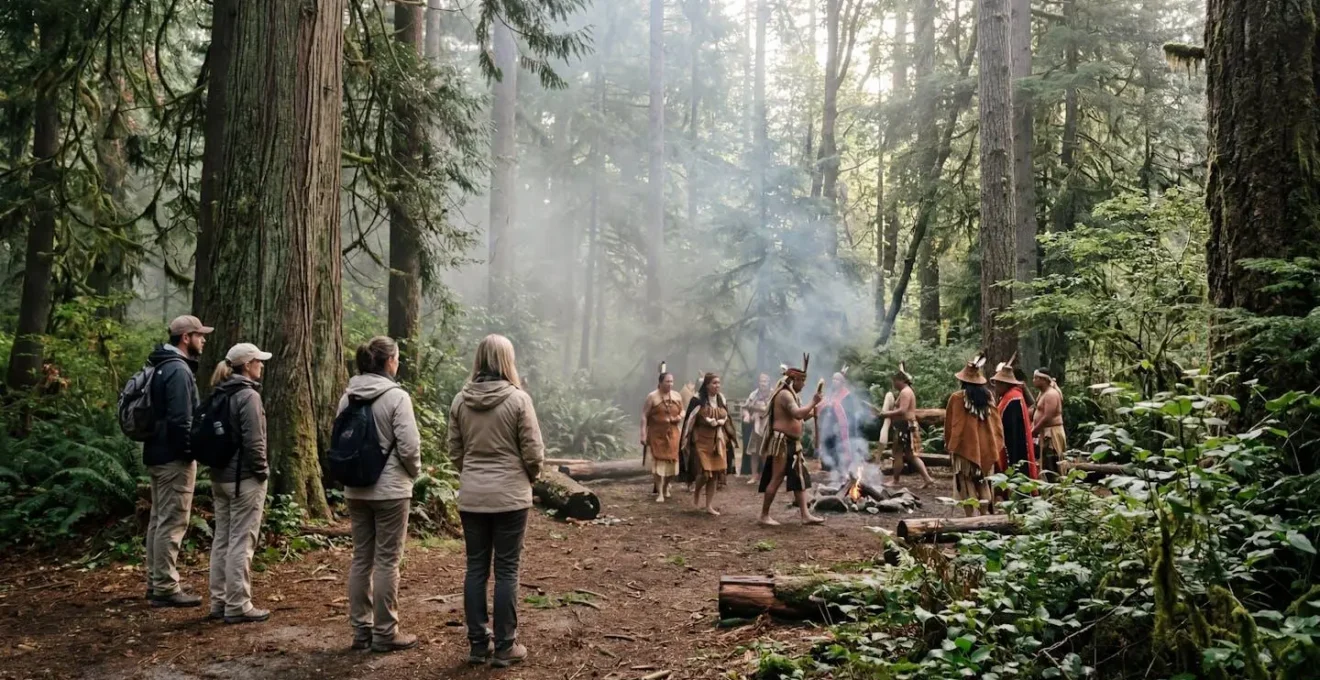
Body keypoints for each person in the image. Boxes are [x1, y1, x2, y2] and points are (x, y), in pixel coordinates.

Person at [449, 334, 545, 668]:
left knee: (476, 567)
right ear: (507, 360)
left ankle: (478, 645)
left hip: (472, 496)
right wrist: (526, 477)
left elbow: (454, 452)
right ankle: (505, 646)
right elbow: (534, 452)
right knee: (506, 569)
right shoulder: (519, 400)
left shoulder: (461, 401)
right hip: (510, 497)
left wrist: (474, 475)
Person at [339, 337, 423, 653]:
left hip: (355, 487)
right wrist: (413, 473)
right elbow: (410, 446)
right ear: (389, 361)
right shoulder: (397, 397)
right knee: (387, 560)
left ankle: (361, 631)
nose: (397, 363)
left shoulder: (347, 396)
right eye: (397, 358)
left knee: (362, 557)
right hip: (390, 490)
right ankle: (385, 632)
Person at [144, 315, 213, 607]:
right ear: (185, 338)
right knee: (172, 522)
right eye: (199, 335)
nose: (203, 340)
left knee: (158, 520)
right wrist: (190, 452)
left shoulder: (159, 366)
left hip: (156, 452)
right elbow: (181, 420)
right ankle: (165, 587)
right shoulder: (178, 371)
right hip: (173, 458)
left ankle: (155, 580)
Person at [207, 343, 272, 624]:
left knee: (222, 538)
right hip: (243, 479)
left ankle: (219, 601)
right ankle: (238, 604)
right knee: (242, 541)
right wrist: (262, 472)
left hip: (220, 477)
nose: (261, 365)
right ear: (246, 365)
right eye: (258, 361)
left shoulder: (219, 393)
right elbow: (254, 441)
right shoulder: (248, 396)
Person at [757, 357, 826, 526]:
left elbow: (800, 417)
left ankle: (805, 515)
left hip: (793, 443)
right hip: (781, 442)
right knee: (777, 477)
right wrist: (813, 402)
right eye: (802, 381)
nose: (803, 384)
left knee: (798, 478)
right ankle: (764, 515)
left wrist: (812, 411)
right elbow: (797, 414)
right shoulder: (785, 394)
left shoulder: (792, 394)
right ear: (794, 379)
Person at [943, 353, 1003, 516]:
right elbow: (996, 425)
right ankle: (985, 518)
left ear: (963, 380)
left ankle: (970, 520)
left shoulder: (956, 398)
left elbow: (950, 425)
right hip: (986, 448)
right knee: (983, 483)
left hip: (965, 450)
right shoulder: (989, 397)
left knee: (966, 483)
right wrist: (995, 445)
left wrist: (950, 444)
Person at [682, 373, 737, 515]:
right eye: (714, 383)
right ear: (706, 385)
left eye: (718, 383)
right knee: (706, 473)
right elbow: (690, 420)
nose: (717, 386)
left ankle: (709, 506)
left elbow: (727, 416)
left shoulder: (721, 399)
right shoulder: (698, 399)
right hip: (701, 440)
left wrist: (722, 422)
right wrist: (706, 422)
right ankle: (697, 492)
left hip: (718, 440)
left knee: (715, 473)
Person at [881, 364, 935, 488]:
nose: (893, 384)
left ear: (899, 381)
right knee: (910, 455)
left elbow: (903, 411)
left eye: (894, 381)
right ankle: (927, 478)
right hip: (905, 425)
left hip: (905, 426)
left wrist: (886, 413)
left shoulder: (906, 392)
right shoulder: (905, 391)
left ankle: (895, 480)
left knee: (898, 453)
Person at [992, 356, 1039, 480]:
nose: (995, 387)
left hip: (1013, 449)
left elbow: (1013, 430)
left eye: (997, 384)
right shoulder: (1008, 396)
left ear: (1004, 384)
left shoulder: (1013, 398)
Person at [641, 365, 683, 502]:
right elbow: (644, 415)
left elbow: (682, 411)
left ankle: (666, 486)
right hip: (657, 434)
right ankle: (659, 492)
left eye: (672, 381)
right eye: (667, 381)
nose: (670, 384)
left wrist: (678, 417)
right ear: (660, 383)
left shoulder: (677, 396)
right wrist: (642, 434)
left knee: (672, 462)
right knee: (658, 463)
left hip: (673, 433)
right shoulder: (652, 397)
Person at [817, 371, 868, 477]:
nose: (834, 381)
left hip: (843, 429)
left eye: (837, 379)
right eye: (833, 379)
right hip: (830, 429)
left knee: (842, 452)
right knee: (830, 452)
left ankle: (844, 474)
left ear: (842, 382)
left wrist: (840, 427)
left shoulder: (847, 396)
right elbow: (824, 406)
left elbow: (848, 414)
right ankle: (834, 474)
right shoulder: (831, 393)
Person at [1031, 369, 1067, 477]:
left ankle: (1057, 488)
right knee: (1046, 464)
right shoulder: (1043, 393)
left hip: (1052, 434)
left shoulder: (1051, 394)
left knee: (1052, 464)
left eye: (1036, 378)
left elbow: (1048, 416)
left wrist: (1034, 430)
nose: (1033, 381)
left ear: (1043, 380)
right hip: (1045, 432)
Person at [739, 374, 773, 484]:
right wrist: (747, 415)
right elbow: (745, 407)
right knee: (754, 452)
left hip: (768, 426)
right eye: (761, 381)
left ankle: (765, 476)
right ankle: (754, 476)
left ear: (769, 382)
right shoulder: (754, 394)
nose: (763, 383)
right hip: (756, 426)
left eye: (765, 381)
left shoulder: (773, 394)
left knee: (765, 453)